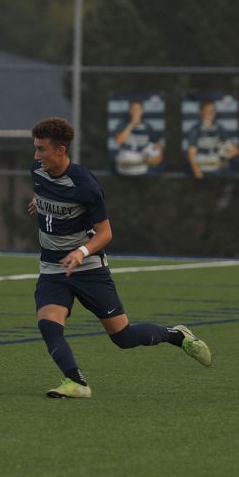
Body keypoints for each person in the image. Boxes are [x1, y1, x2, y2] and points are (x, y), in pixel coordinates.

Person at [27, 117, 211, 399]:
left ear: (61, 150)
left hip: (89, 268)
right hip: (53, 267)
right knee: (49, 325)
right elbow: (46, 192)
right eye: (36, 149)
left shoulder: (86, 185)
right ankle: (76, 382)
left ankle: (177, 336)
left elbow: (105, 233)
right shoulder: (38, 172)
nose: (36, 156)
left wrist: (81, 251)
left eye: (41, 149)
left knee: (123, 338)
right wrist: (39, 203)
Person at [186, 99, 239, 178]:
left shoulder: (219, 128)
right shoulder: (195, 130)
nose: (211, 113)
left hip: (218, 167)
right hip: (202, 169)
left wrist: (225, 153)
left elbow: (233, 149)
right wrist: (198, 174)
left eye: (213, 110)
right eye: (208, 110)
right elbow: (191, 155)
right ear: (202, 112)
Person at [112, 99, 164, 176]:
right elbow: (119, 141)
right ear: (130, 111)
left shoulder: (147, 127)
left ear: (142, 111)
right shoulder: (122, 124)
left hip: (142, 161)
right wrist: (132, 124)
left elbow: (157, 144)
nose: (135, 112)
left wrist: (158, 156)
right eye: (133, 109)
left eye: (138, 109)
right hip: (126, 160)